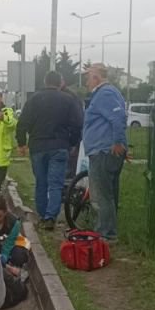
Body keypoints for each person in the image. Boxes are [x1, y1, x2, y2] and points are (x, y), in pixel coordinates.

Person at [16, 71, 84, 230]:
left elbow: (22, 123)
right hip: (59, 146)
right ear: (60, 83)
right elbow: (78, 124)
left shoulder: (33, 99)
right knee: (56, 183)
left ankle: (41, 214)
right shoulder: (68, 100)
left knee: (41, 182)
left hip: (37, 146)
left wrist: (21, 143)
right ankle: (50, 217)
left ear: (45, 82)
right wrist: (72, 142)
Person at [81, 63, 127, 242]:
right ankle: (109, 229)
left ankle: (106, 233)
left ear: (96, 77)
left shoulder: (105, 94)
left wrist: (118, 142)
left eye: (87, 78)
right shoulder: (111, 92)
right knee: (110, 192)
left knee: (102, 194)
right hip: (106, 149)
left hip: (103, 150)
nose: (86, 82)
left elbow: (118, 117)